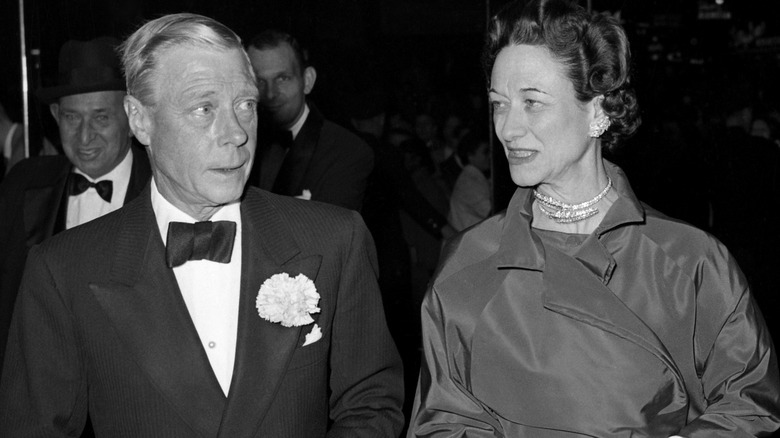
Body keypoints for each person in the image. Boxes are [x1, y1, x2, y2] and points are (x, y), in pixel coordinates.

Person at [0, 13, 404, 437]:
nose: (236, 134)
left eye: (245, 105)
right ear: (141, 120)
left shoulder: (334, 239)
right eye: (203, 108)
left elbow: (372, 404)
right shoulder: (64, 270)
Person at [407, 1, 780, 437]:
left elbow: (750, 406)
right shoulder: (468, 263)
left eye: (532, 102)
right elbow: (442, 422)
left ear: (598, 112)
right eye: (498, 104)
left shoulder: (692, 261)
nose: (507, 128)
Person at [0, 36, 151, 368]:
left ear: (132, 118)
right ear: (55, 115)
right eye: (72, 118)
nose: (84, 136)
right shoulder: (23, 185)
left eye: (100, 117)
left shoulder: (164, 191)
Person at [246, 30, 373, 211]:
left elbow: (330, 234)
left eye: (282, 78)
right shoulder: (240, 142)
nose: (270, 93)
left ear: (307, 80)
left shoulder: (346, 150)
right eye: (259, 81)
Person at [448, 130, 492, 231]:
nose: (490, 156)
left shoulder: (472, 177)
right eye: (485, 152)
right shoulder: (469, 181)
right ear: (470, 155)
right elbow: (493, 212)